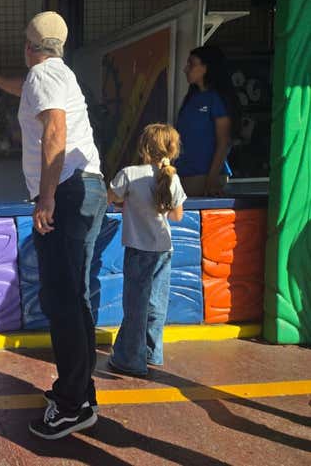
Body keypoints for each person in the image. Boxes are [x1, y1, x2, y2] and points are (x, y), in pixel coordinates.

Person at [0, 11, 106, 440]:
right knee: (74, 297)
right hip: (85, 189)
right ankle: (80, 394)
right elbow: (27, 93)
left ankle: (71, 405)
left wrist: (46, 196)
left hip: (65, 192)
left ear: (29, 47)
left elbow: (55, 131)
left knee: (60, 299)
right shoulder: (56, 73)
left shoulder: (43, 75)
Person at [107, 124, 187, 377]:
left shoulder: (129, 174)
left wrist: (130, 204)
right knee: (156, 303)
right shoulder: (172, 177)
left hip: (139, 250)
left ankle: (129, 359)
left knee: (136, 305)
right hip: (164, 249)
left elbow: (110, 197)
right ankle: (153, 352)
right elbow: (176, 215)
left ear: (143, 147)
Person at [175, 45, 240, 196]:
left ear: (206, 68)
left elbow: (223, 142)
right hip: (183, 173)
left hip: (204, 176)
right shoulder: (191, 98)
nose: (185, 69)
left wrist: (211, 179)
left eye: (191, 64)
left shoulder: (217, 99)